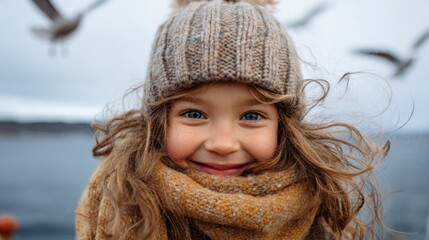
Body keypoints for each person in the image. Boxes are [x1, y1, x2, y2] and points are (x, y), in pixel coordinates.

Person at [75, 0, 389, 239]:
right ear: (160, 122)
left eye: (251, 115)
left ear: (284, 128)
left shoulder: (319, 212)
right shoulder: (119, 205)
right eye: (194, 114)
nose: (223, 144)